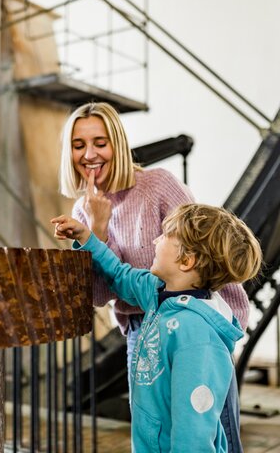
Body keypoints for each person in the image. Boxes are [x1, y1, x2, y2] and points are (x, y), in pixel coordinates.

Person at [59, 101, 250, 451]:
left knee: (203, 426)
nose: (89, 154)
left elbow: (207, 249)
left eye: (100, 142)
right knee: (152, 427)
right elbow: (102, 291)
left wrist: (225, 327)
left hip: (196, 325)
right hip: (142, 330)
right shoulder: (82, 210)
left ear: (116, 143)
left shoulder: (158, 186)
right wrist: (96, 228)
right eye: (78, 145)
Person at [51, 203, 262, 452]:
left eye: (164, 236)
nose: (154, 240)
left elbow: (193, 435)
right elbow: (119, 274)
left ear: (186, 260)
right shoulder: (158, 292)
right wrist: (87, 238)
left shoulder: (198, 337)